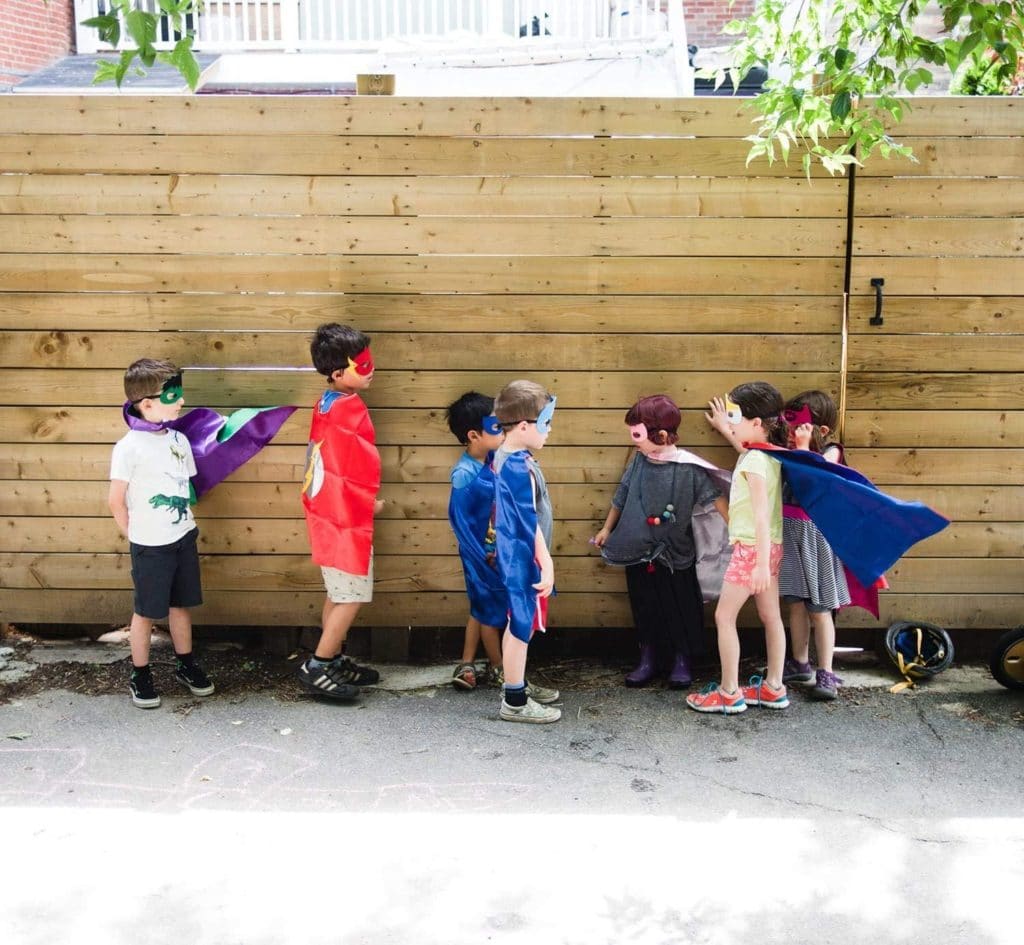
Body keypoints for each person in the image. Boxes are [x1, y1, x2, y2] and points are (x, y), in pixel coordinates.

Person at [593, 395, 729, 689]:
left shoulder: (688, 468)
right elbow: (622, 494)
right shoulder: (639, 463)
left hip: (676, 555)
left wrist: (738, 530)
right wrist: (607, 529)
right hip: (640, 552)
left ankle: (682, 659)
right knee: (645, 605)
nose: (634, 441)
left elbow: (714, 498)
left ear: (662, 435)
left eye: (638, 434)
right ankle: (648, 657)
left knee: (679, 606)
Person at [108, 358, 214, 709]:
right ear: (148, 403)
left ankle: (186, 664)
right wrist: (135, 537)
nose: (181, 401)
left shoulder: (180, 440)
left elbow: (187, 484)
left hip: (183, 537)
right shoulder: (128, 448)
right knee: (147, 611)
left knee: (181, 605)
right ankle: (140, 673)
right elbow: (115, 501)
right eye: (173, 395)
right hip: (149, 546)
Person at [688, 381, 790, 714]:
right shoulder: (767, 456)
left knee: (724, 616)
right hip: (772, 547)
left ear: (757, 423)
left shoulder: (754, 462)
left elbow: (760, 515)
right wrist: (725, 430)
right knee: (771, 616)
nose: (730, 420)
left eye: (735, 415)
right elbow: (747, 454)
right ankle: (774, 687)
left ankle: (729, 692)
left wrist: (759, 564)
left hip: (752, 551)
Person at [298, 324, 384, 700]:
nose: (370, 369)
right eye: (361, 364)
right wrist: (368, 504)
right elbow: (351, 469)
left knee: (338, 591)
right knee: (352, 596)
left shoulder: (326, 402)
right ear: (337, 373)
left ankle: (333, 658)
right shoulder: (347, 410)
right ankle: (318, 664)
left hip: (326, 512)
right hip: (344, 517)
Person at [492, 380, 562, 723]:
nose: (549, 431)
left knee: (519, 624)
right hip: (524, 559)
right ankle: (515, 701)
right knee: (522, 625)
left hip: (516, 555)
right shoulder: (518, 466)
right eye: (545, 424)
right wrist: (546, 564)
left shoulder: (507, 455)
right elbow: (526, 519)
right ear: (523, 426)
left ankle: (514, 684)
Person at [776, 391, 851, 700]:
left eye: (800, 429)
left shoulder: (831, 452)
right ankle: (800, 662)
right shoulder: (789, 449)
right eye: (790, 428)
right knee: (794, 601)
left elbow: (817, 481)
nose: (793, 435)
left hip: (816, 537)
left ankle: (827, 672)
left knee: (819, 608)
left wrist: (805, 449)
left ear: (820, 431)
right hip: (790, 532)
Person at [445, 391, 506, 690]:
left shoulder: (493, 458)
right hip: (481, 557)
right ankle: (499, 668)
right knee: (489, 612)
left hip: (496, 552)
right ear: (473, 435)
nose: (503, 432)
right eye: (496, 428)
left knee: (480, 607)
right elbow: (460, 525)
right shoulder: (464, 476)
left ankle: (466, 662)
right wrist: (483, 559)